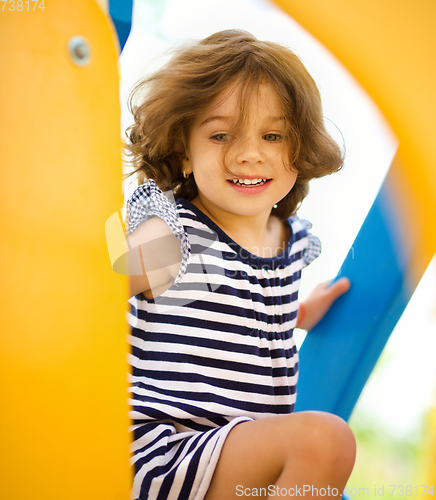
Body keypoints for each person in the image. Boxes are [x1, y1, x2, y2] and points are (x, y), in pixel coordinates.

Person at [123, 29, 355, 500]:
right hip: (161, 451)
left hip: (236, 453)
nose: (249, 153)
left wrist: (302, 313)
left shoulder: (291, 243)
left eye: (273, 135)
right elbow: (110, 284)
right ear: (184, 152)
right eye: (221, 134)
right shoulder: (172, 224)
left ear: (301, 150)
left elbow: (246, 309)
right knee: (323, 440)